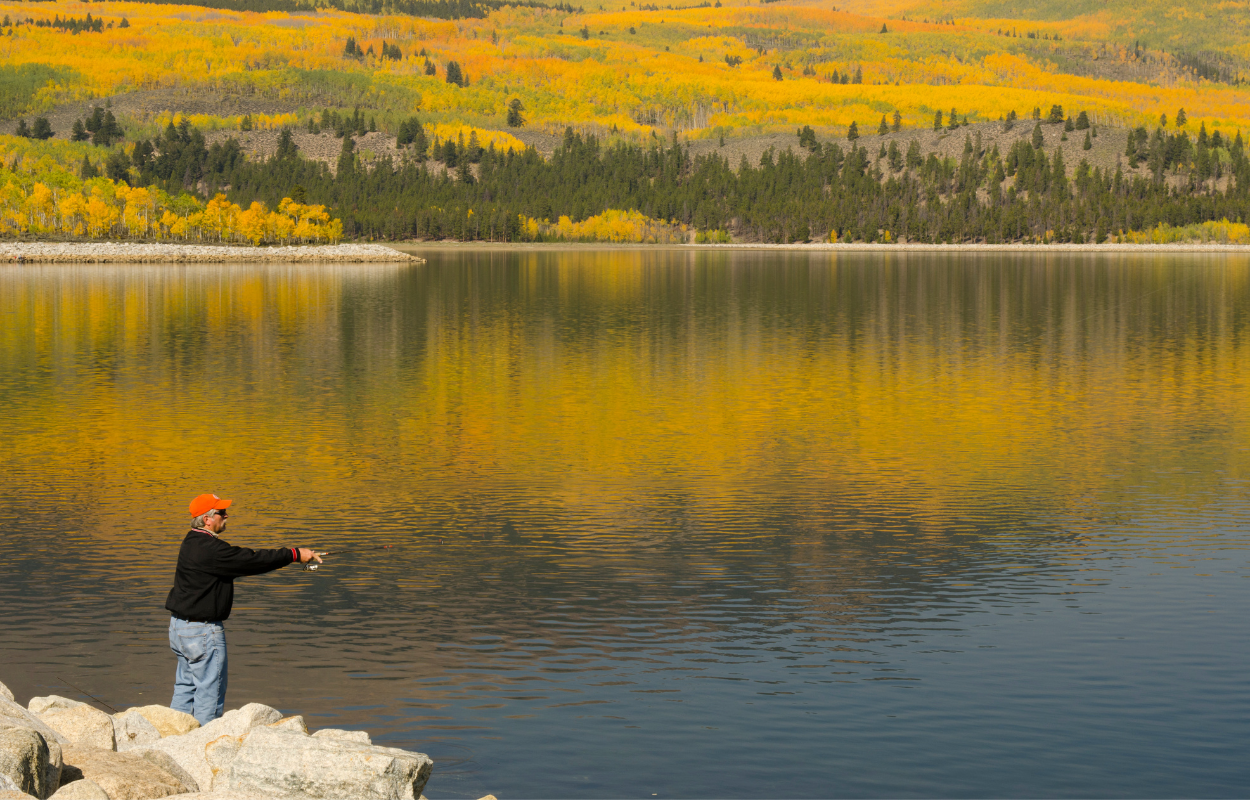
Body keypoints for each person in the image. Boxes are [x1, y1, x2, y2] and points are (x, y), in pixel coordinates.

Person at [164, 493, 322, 725]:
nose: (226, 516)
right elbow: (252, 560)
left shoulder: (190, 540)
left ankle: (172, 737)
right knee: (209, 694)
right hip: (202, 633)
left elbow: (244, 559)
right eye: (221, 513)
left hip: (179, 629)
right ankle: (201, 745)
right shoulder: (212, 550)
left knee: (185, 688)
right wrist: (295, 554)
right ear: (207, 519)